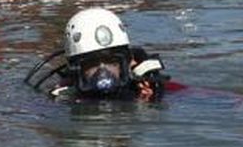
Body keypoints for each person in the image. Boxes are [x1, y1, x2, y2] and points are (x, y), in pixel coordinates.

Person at [24, 7, 170, 101]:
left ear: (128, 62)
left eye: (111, 62)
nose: (103, 73)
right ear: (75, 69)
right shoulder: (63, 97)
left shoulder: (147, 89)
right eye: (91, 65)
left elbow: (187, 96)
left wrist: (153, 97)